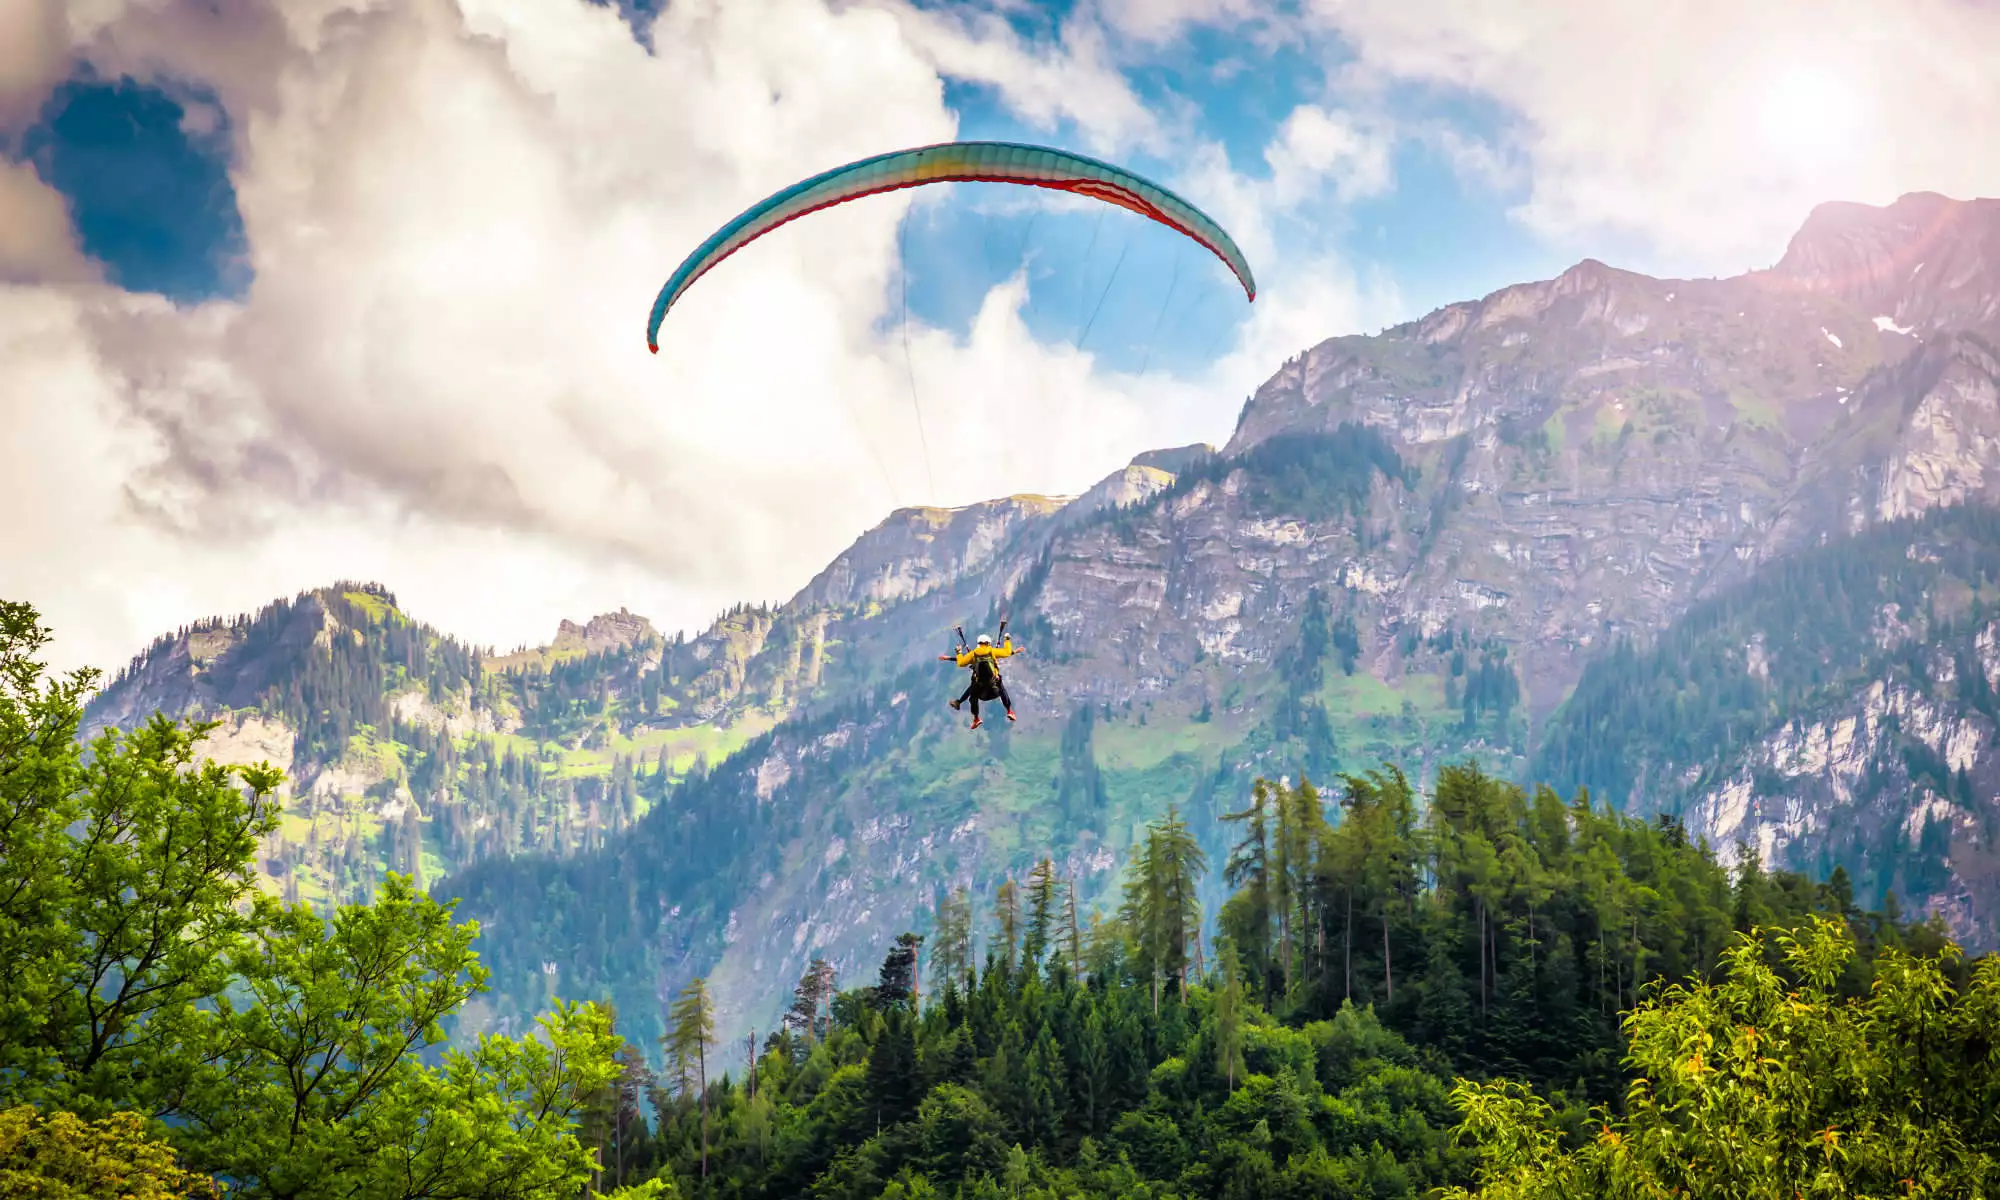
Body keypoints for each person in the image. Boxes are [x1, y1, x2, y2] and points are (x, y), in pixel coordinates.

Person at [939, 632, 1019, 729]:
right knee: (1000, 683)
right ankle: (1009, 711)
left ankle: (976, 718)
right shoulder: (992, 651)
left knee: (973, 692)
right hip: (995, 690)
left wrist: (959, 653)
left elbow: (961, 663)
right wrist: (1007, 639)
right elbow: (1007, 652)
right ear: (987, 643)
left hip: (982, 693)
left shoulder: (973, 654)